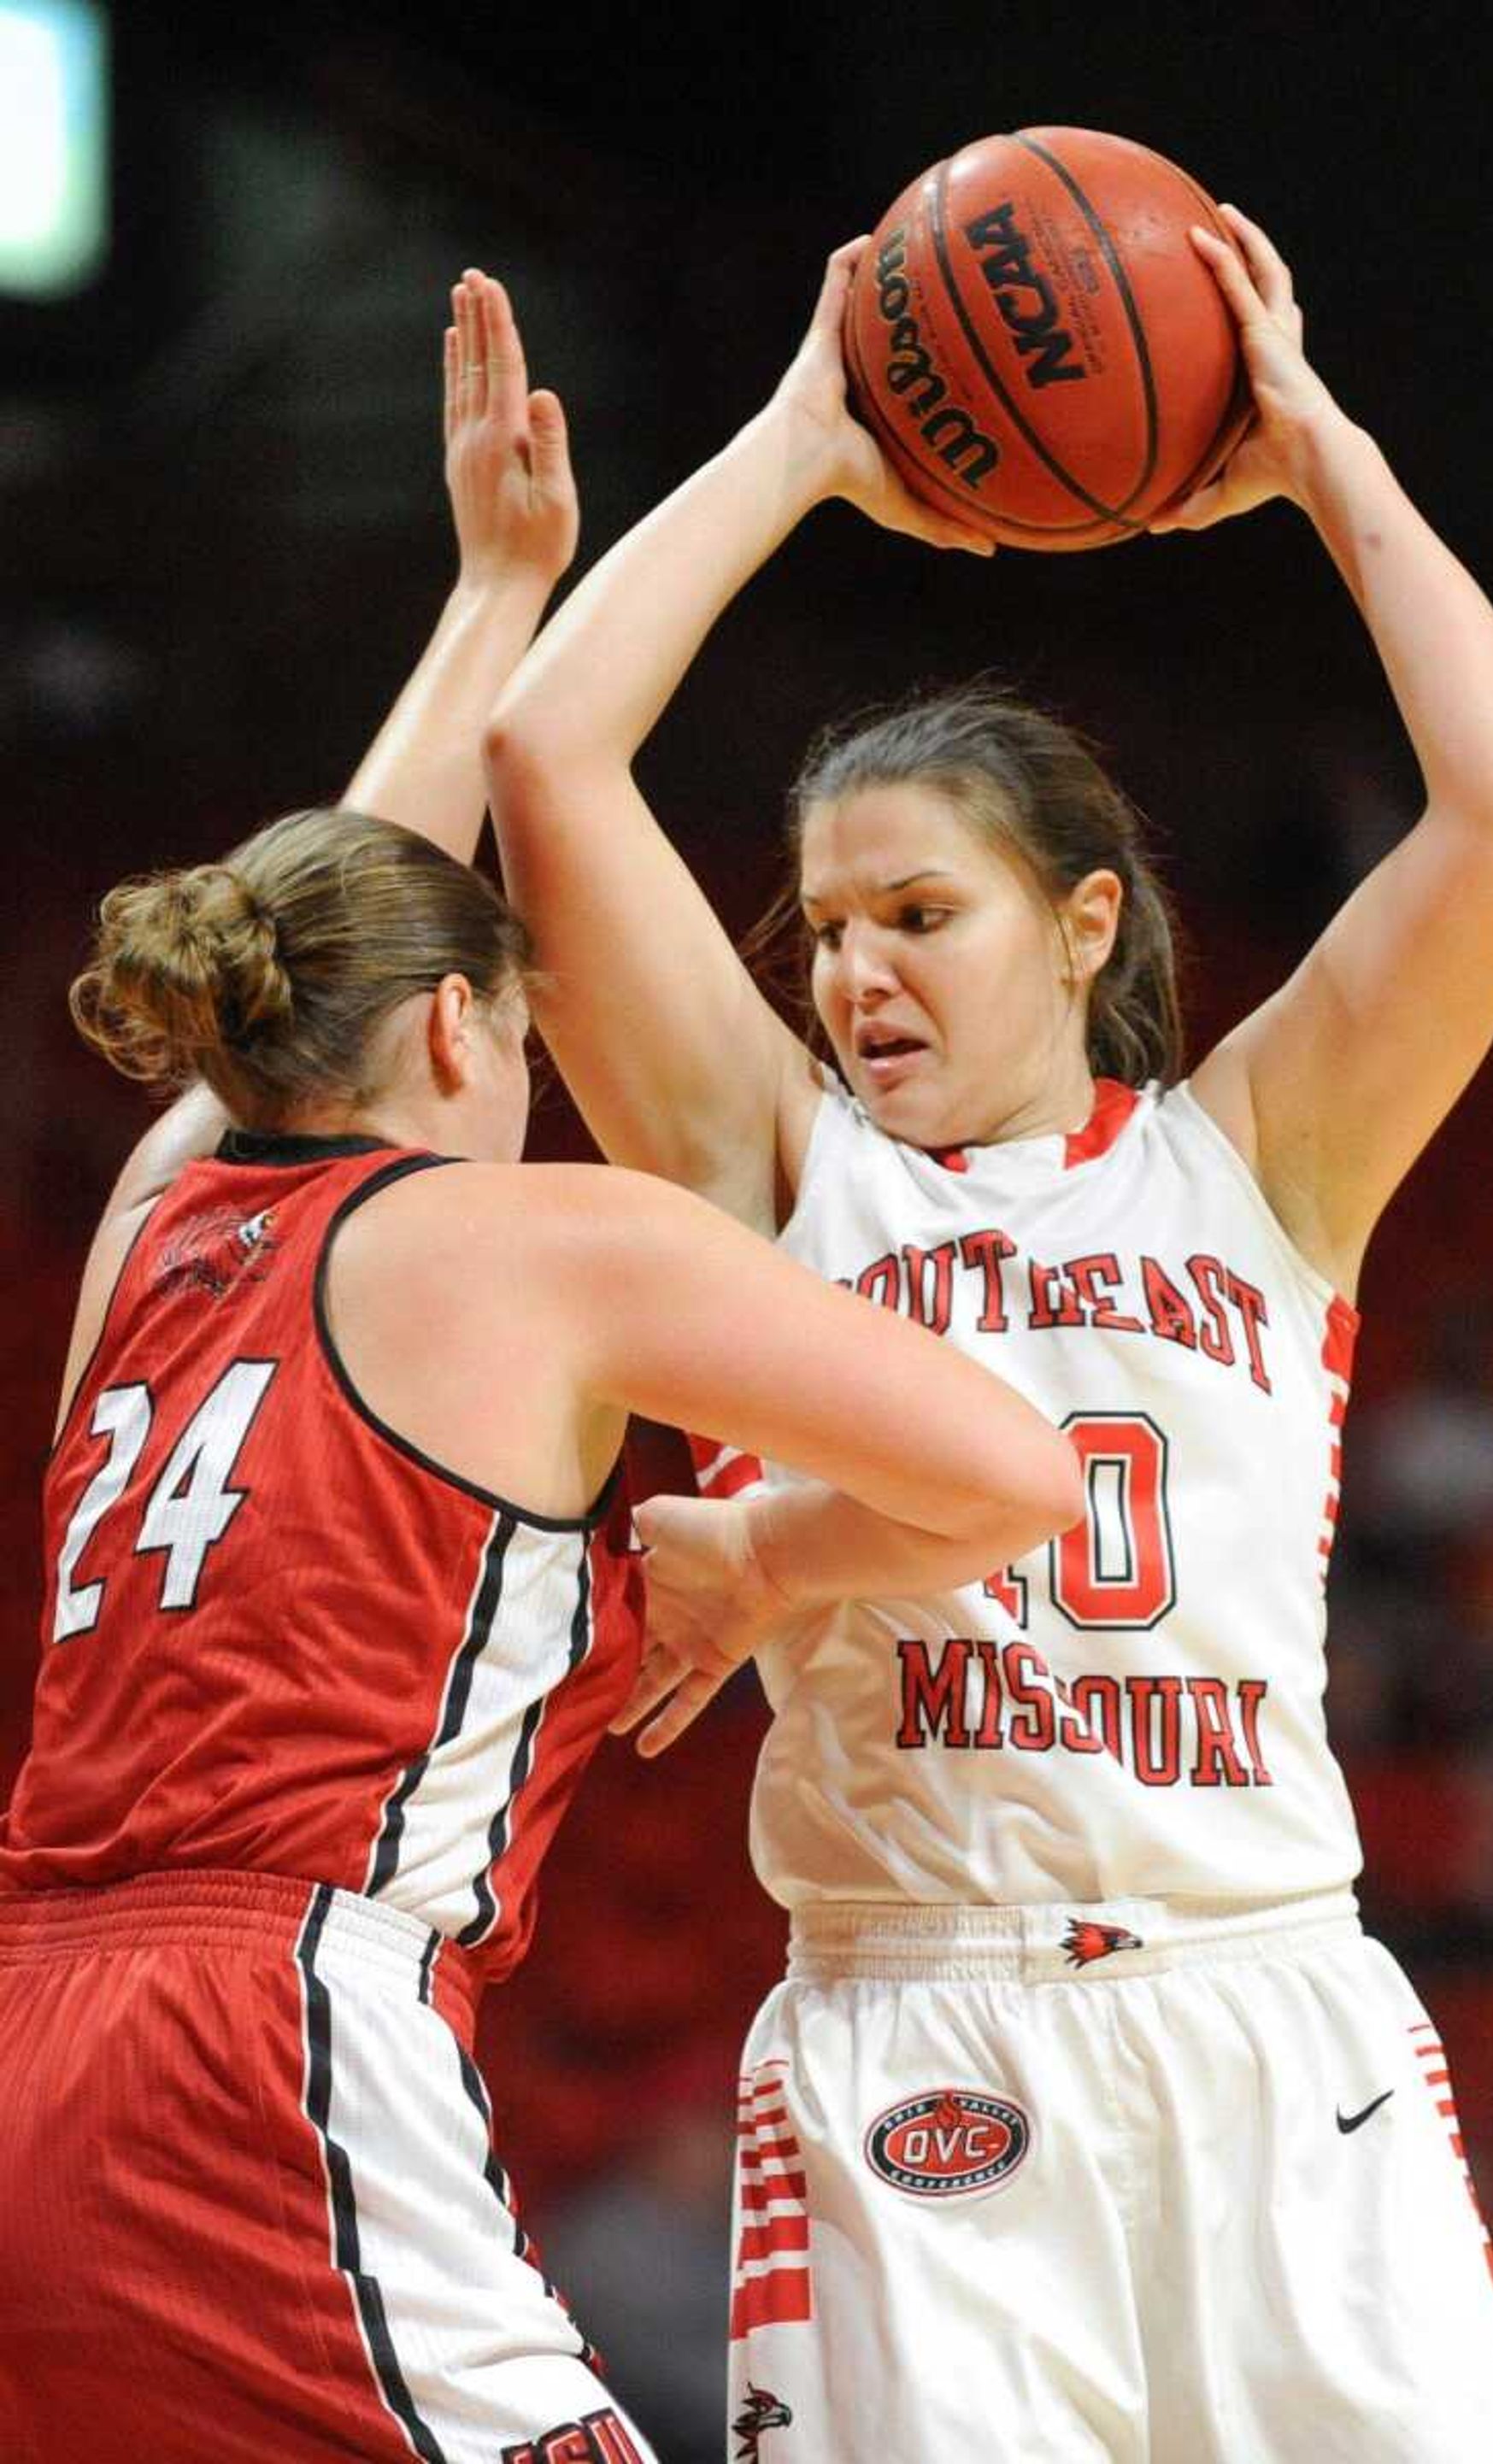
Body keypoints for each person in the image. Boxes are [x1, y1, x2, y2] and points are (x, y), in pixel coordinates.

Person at [483, 211, 1493, 2463]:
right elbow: (545, 760)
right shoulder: (778, 1181)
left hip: (1275, 2006)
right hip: (928, 2039)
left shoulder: (1266, 1152)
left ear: (1085, 921)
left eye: (921, 913)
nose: (858, 971)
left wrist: (1321, 458)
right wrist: (798, 440)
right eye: (831, 928)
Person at [0, 273, 1084, 2464]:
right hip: (275, 2033)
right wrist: (772, 1553)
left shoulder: (152, 1235)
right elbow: (1019, 1474)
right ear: (465, 1031)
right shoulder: (545, 1235)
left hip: (28, 2030)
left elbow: (320, 931)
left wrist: (498, 591)